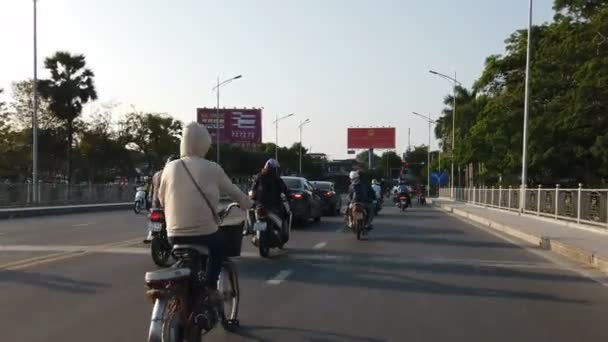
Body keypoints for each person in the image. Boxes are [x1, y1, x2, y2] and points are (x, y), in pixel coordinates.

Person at [158, 122, 252, 312]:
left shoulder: (170, 167)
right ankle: (209, 288)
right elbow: (233, 191)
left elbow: (161, 199)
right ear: (204, 144)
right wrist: (247, 203)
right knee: (219, 250)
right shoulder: (212, 167)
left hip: (173, 234)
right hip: (204, 233)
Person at [248, 159, 290, 236]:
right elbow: (285, 190)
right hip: (273, 205)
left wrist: (252, 198)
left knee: (250, 210)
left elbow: (253, 189)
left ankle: (249, 229)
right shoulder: (277, 179)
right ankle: (250, 229)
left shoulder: (259, 177)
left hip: (262, 204)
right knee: (285, 214)